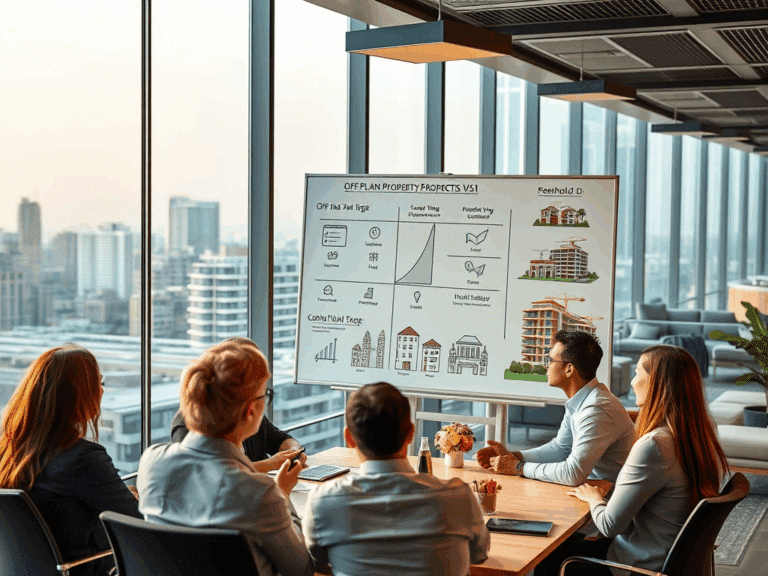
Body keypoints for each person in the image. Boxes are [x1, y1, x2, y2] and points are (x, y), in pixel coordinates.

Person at [534, 345, 730, 576]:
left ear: (657, 383)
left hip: (636, 566)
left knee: (549, 555)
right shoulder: (699, 436)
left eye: (637, 373)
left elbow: (609, 526)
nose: (632, 382)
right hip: (670, 560)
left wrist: (592, 496)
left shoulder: (655, 445)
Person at [137, 339, 313, 576]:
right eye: (265, 395)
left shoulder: (151, 463)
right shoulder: (259, 492)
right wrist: (281, 493)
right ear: (249, 410)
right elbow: (301, 570)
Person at [303, 382, 490, 576]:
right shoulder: (458, 497)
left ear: (348, 438)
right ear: (411, 433)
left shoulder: (323, 501)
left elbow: (317, 560)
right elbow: (479, 555)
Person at [0, 345, 141, 576]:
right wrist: (131, 497)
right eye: (98, 383)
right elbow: (135, 525)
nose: (102, 392)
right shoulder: (83, 459)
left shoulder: (9, 452)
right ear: (78, 395)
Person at [478, 330, 634, 486]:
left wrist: (518, 467)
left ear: (569, 369)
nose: (546, 367)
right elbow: (561, 449)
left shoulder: (597, 409)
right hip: (590, 490)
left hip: (605, 498)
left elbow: (573, 474)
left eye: (550, 360)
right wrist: (515, 456)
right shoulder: (584, 399)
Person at [170, 337, 306, 472]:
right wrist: (270, 464)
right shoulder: (188, 422)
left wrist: (294, 453)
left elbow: (280, 439)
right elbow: (206, 473)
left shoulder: (248, 407)